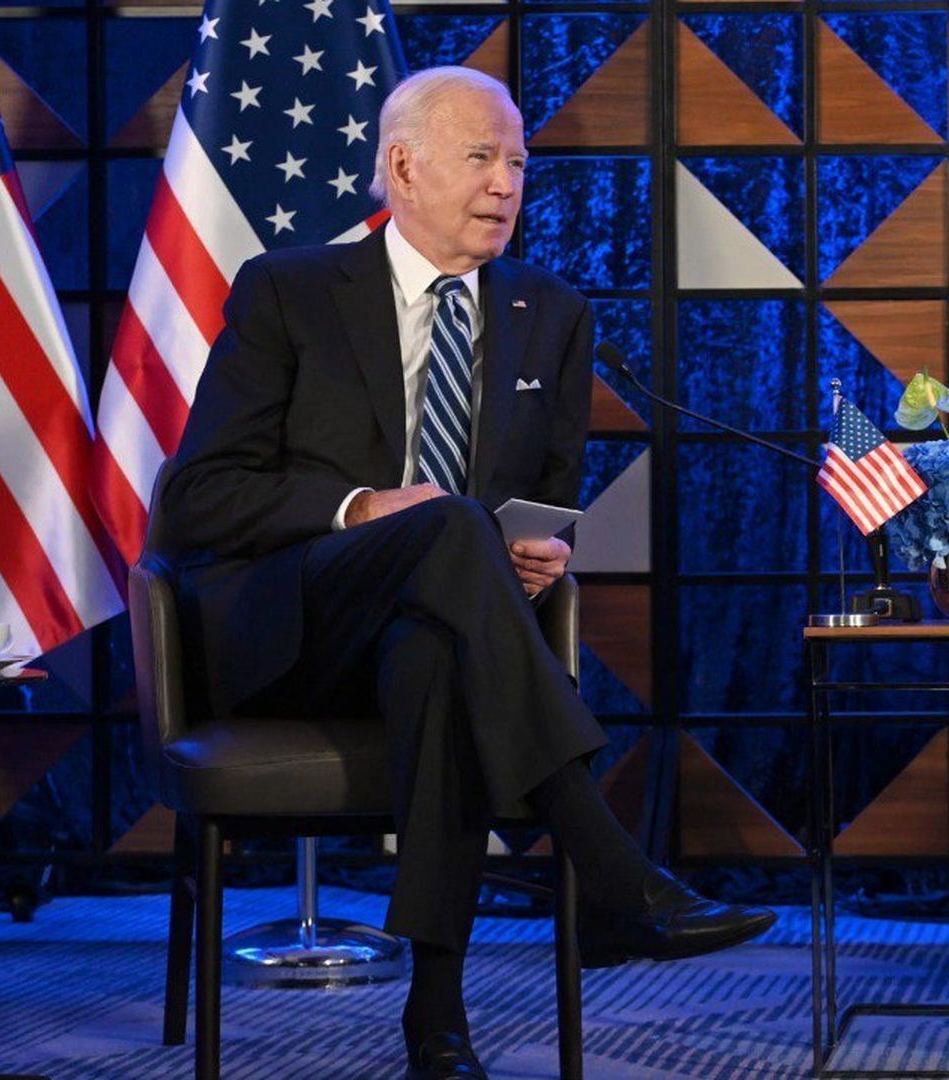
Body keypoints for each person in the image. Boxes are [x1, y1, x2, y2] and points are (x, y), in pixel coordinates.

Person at [154, 66, 774, 1080]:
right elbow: (196, 501)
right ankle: (611, 870)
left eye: (519, 161)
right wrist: (360, 508)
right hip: (293, 626)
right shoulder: (290, 291)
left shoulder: (551, 311)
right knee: (444, 527)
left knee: (436, 648)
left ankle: (436, 1025)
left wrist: (540, 547)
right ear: (402, 167)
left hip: (446, 626)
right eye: (482, 157)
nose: (507, 182)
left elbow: (546, 494)